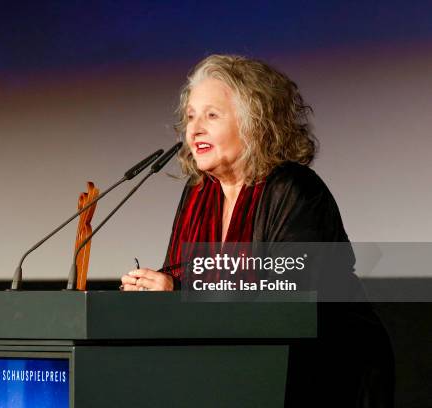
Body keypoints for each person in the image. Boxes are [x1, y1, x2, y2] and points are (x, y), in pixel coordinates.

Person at [120, 54, 394, 407]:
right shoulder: (198, 193)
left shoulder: (295, 189)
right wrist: (153, 289)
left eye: (211, 115)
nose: (195, 129)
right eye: (190, 117)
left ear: (254, 123)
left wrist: (180, 291)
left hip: (326, 374)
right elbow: (186, 280)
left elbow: (286, 294)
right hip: (240, 372)